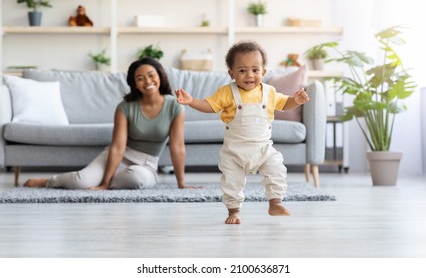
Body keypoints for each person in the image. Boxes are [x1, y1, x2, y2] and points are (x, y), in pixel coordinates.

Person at [175, 41, 310, 224]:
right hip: (234, 152)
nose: (249, 75)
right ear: (231, 73)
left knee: (277, 168)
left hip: (263, 150)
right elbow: (210, 106)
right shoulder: (227, 92)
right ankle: (234, 211)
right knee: (231, 183)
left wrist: (296, 100)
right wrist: (192, 101)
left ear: (263, 72)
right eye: (242, 70)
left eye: (255, 70)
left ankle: (275, 201)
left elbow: (285, 104)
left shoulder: (269, 92)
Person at [24, 57, 195, 190]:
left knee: (137, 179)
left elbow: (177, 146)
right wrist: (104, 183)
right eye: (140, 78)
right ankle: (49, 181)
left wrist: (181, 183)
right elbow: (117, 147)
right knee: (81, 182)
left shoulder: (175, 105)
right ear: (134, 84)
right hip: (117, 156)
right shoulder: (125, 107)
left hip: (146, 164)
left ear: (160, 76)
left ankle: (102, 178)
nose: (148, 81)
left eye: (151, 75)